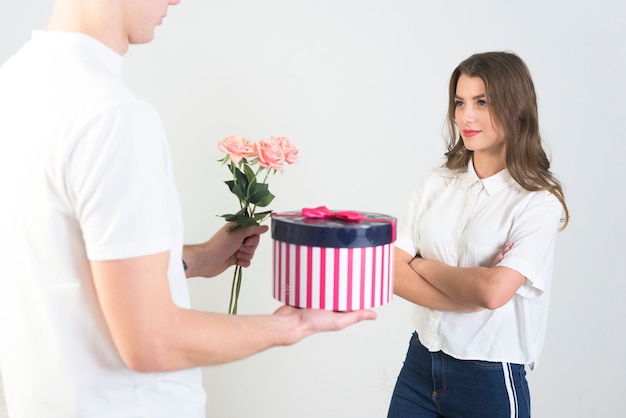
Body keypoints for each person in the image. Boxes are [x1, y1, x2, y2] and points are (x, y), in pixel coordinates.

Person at [0, 0, 376, 416]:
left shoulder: (13, 84)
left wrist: (196, 259)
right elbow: (150, 340)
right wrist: (294, 324)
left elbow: (57, 264)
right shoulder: (113, 118)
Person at [387, 51, 569, 418]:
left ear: (515, 107)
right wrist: (464, 294)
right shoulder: (437, 182)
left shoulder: (537, 202)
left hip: (488, 378)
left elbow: (491, 292)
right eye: (460, 102)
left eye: (481, 102)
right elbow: (388, 269)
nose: (466, 117)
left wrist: (421, 265)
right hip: (420, 366)